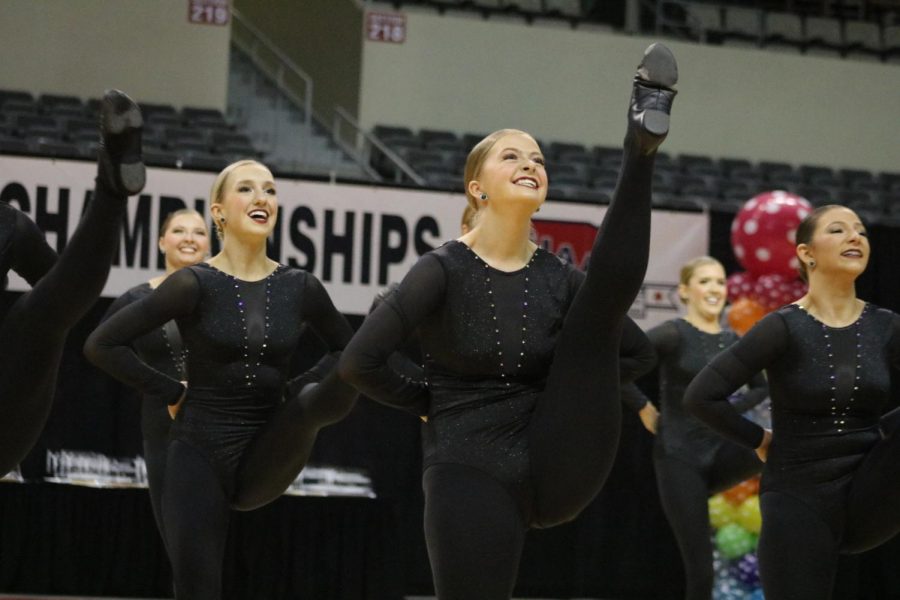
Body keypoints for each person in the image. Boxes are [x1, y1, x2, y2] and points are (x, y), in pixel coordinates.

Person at [339, 43, 678, 599]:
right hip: (470, 465)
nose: (531, 165)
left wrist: (574, 387)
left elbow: (636, 354)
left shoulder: (559, 275)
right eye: (513, 158)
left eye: (539, 160)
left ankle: (640, 147)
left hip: (559, 454)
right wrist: (428, 401)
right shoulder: (442, 269)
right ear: (477, 187)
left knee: (600, 309)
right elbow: (359, 362)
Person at [84, 159, 358, 599]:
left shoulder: (300, 286)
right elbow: (101, 344)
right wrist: (171, 390)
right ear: (219, 211)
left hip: (269, 444)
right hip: (199, 447)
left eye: (269, 190)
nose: (261, 198)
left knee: (323, 393)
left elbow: (348, 349)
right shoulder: (193, 283)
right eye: (247, 189)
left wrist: (294, 390)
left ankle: (388, 325)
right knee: (197, 586)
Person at [685, 205, 900, 599]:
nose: (855, 237)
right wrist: (759, 439)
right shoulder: (783, 326)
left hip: (870, 491)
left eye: (862, 232)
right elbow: (701, 396)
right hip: (800, 496)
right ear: (806, 252)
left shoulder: (887, 326)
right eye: (838, 230)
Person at [0, 89, 145, 476]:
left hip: (3, 414)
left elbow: (62, 292)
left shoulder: (8, 225)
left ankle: (111, 188)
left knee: (40, 318)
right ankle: (111, 191)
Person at [622, 256, 767, 599]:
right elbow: (616, 364)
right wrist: (643, 407)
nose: (715, 289)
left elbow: (762, 386)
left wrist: (726, 411)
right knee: (701, 569)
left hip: (722, 453)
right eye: (705, 282)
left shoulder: (735, 342)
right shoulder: (674, 334)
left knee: (779, 446)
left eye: (719, 281)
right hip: (679, 455)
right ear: (686, 291)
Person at [100, 209, 210, 541]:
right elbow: (100, 349)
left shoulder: (227, 297)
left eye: (199, 232)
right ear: (162, 241)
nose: (190, 238)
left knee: (211, 538)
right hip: (164, 430)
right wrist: (164, 388)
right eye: (179, 230)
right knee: (177, 537)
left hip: (220, 428)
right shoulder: (137, 300)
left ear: (209, 244)